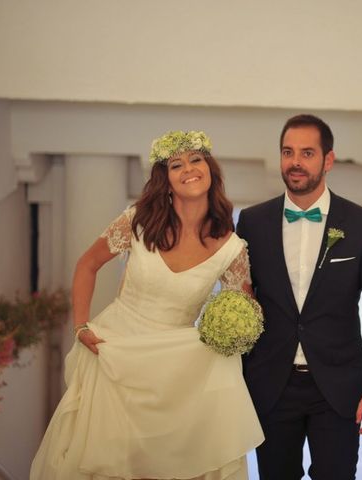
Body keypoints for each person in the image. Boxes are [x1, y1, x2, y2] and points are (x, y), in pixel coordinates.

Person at [31, 131, 264, 480]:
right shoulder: (138, 220)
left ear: (210, 170)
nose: (189, 168)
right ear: (165, 180)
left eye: (196, 160)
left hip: (176, 369)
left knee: (169, 464)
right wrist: (80, 325)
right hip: (116, 354)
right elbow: (87, 265)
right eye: (176, 164)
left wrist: (237, 327)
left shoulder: (231, 247)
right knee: (107, 462)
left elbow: (243, 309)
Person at [237, 114, 362, 480]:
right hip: (272, 387)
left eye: (307, 153)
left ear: (328, 160)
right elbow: (241, 304)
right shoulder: (251, 222)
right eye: (288, 152)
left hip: (338, 389)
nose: (295, 162)